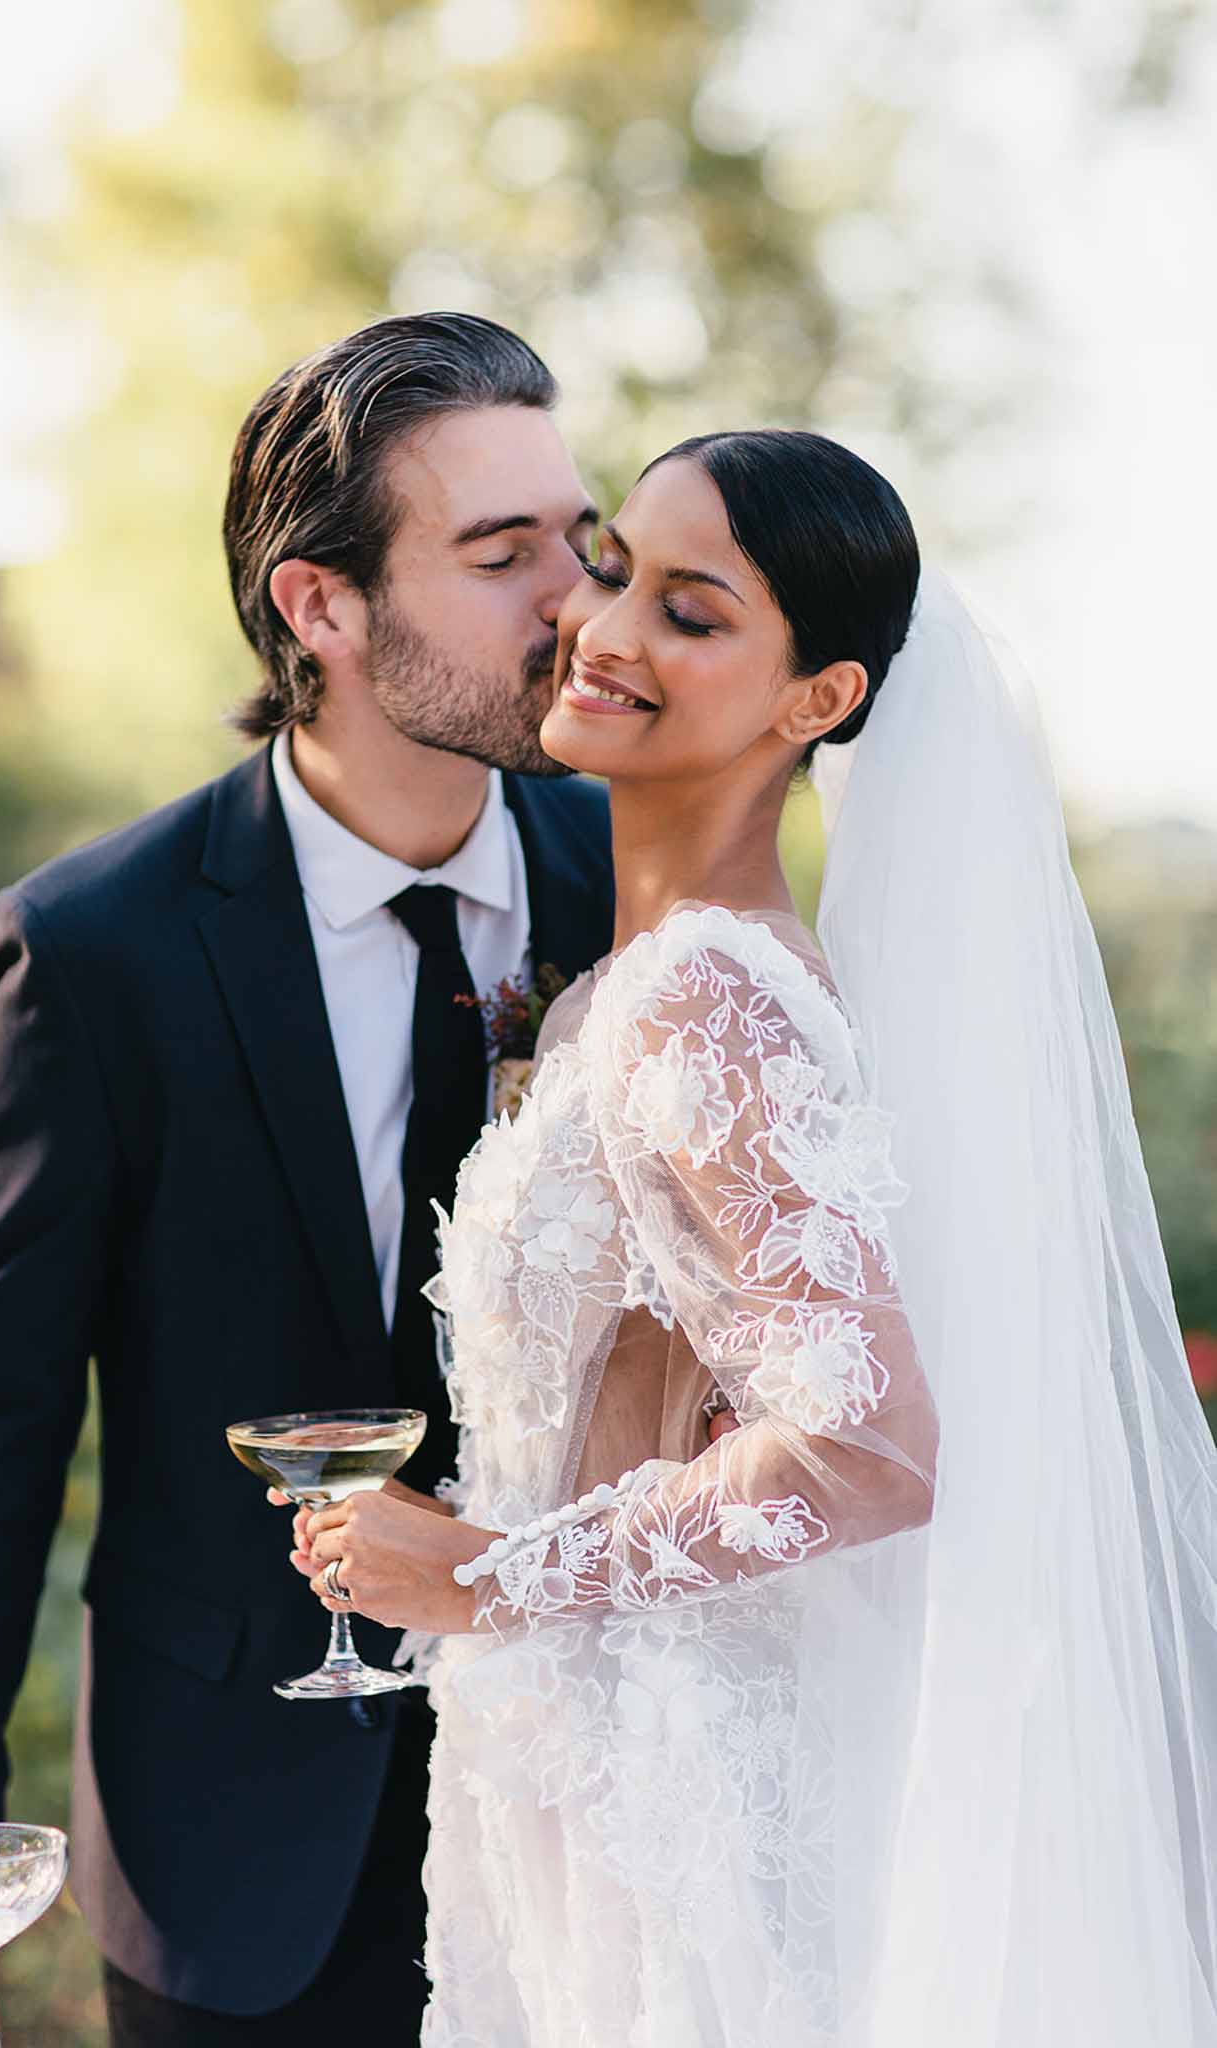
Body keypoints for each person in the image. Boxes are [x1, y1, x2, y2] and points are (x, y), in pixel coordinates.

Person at [292, 430, 1217, 2045]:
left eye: (693, 611)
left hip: (677, 1791)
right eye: (613, 567)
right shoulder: (624, 987)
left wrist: (491, 1573)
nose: (607, 627)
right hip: (576, 1749)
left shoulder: (703, 1002)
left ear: (819, 702)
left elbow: (866, 1449)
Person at [0, 312, 615, 2044]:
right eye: (499, 556)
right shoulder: (100, 947)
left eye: (577, 540)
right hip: (232, 1843)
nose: (571, 599)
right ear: (320, 608)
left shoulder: (634, 883)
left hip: (585, 1808)